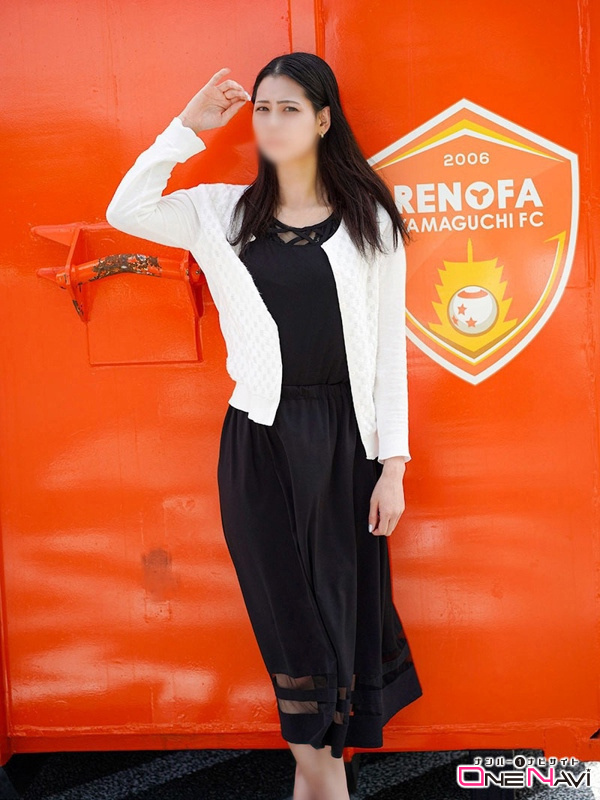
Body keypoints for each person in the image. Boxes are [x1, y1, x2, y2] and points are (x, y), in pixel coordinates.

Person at [106, 52, 423, 800]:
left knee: (340, 612)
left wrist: (394, 466)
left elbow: (389, 352)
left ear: (323, 120)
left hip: (346, 446)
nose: (272, 123)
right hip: (261, 443)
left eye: (290, 108)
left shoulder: (370, 220)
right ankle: (322, 779)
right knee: (288, 616)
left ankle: (319, 780)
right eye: (262, 109)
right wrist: (187, 128)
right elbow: (127, 209)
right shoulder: (220, 212)